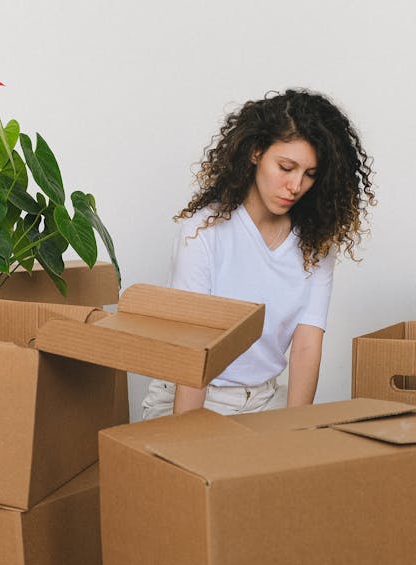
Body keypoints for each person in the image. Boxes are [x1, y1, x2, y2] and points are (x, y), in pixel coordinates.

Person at [142, 89, 375, 419]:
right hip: (190, 396)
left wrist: (294, 432)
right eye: (286, 167)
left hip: (264, 400)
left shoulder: (316, 243)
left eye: (309, 174)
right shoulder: (203, 231)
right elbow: (192, 350)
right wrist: (186, 443)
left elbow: (307, 344)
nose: (295, 186)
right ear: (255, 153)